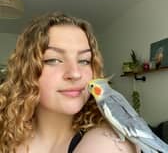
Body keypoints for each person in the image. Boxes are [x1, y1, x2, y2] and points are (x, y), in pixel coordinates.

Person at [0, 12, 139, 153]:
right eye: (53, 60)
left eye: (84, 61)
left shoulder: (108, 143)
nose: (75, 73)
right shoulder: (6, 132)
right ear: (25, 70)